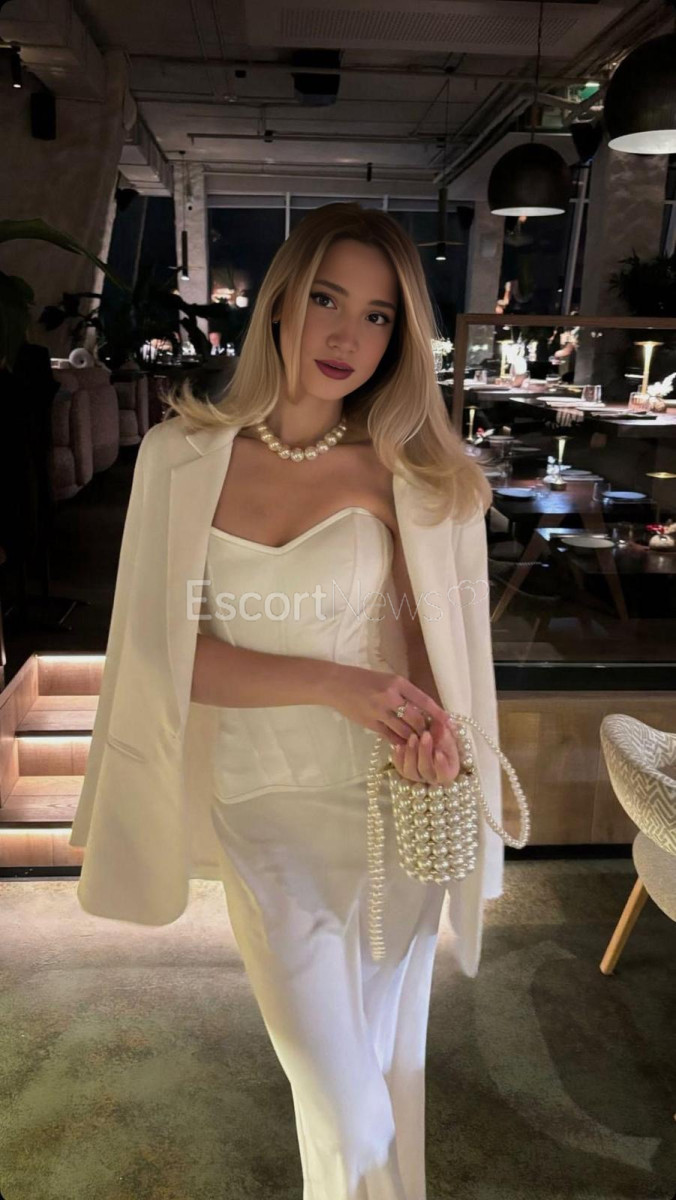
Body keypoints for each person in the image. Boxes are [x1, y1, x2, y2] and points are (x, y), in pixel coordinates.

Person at [69, 202, 502, 1199]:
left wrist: (436, 745)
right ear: (279, 304)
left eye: (380, 316)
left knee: (388, 1069)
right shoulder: (181, 457)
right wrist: (332, 683)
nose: (348, 335)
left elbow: (438, 660)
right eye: (326, 300)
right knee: (346, 1099)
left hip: (391, 813)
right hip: (264, 810)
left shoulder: (412, 473)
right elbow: (160, 655)